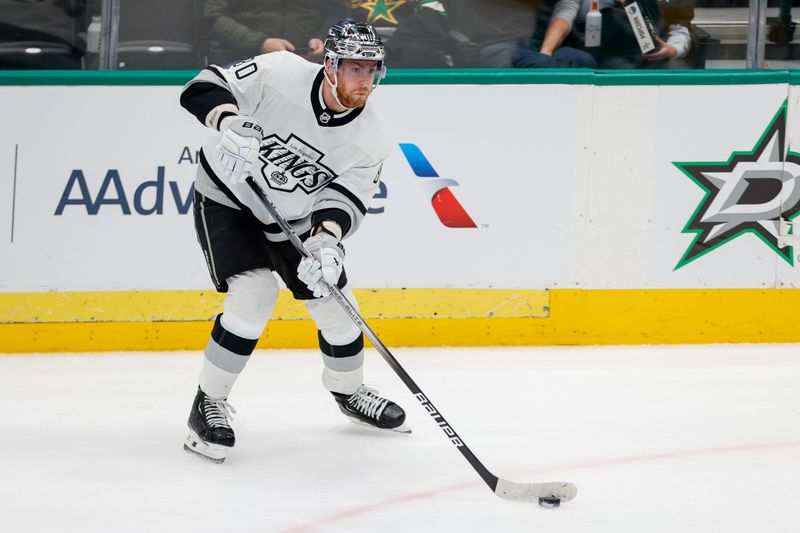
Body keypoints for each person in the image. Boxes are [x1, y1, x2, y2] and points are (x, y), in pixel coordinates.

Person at [179, 19, 408, 463]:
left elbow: (345, 200)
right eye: (354, 69)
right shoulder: (280, 71)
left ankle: (349, 392)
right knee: (254, 295)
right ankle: (208, 403)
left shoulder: (372, 139)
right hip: (227, 198)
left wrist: (326, 241)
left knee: (339, 305)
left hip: (296, 217)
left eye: (371, 70)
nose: (364, 80)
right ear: (330, 66)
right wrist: (229, 121)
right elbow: (199, 87)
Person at [513, 0, 692, 69]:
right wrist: (546, 52)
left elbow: (680, 28)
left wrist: (673, 50)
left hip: (640, 63)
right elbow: (565, 12)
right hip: (589, 56)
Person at [203, 0, 350, 65]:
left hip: (311, 62)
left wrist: (323, 38)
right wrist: (260, 43)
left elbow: (338, 13)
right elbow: (212, 18)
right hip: (246, 60)